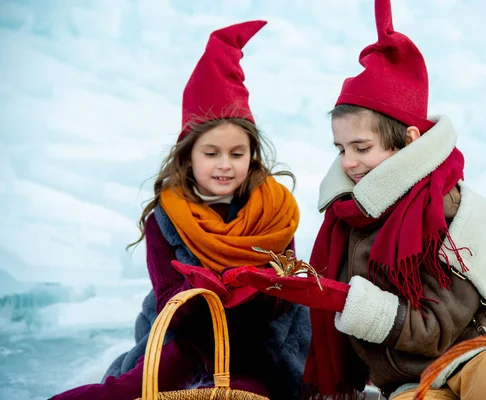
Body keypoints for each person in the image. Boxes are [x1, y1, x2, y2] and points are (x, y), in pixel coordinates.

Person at [239, 1, 486, 399]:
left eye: (362, 147)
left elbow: (432, 329)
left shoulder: (447, 209)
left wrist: (337, 297)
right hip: (415, 378)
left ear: (408, 141)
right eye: (340, 148)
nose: (349, 163)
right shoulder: (347, 217)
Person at [51, 20, 310, 400]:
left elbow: (283, 294)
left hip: (260, 345)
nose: (225, 164)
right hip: (186, 339)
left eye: (237, 154)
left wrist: (256, 288)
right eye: (211, 153)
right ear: (188, 157)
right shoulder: (167, 219)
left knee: (246, 391)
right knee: (131, 388)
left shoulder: (273, 212)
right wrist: (207, 290)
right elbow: (168, 297)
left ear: (252, 156)